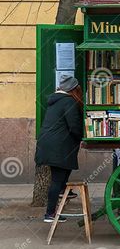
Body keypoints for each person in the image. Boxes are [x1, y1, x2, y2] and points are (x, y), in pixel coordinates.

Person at [35, 76, 83, 223]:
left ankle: (62, 193)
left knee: (60, 176)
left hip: (49, 144)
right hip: (58, 147)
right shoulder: (69, 102)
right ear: (73, 89)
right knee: (56, 180)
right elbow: (74, 126)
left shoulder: (55, 101)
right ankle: (49, 214)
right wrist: (83, 135)